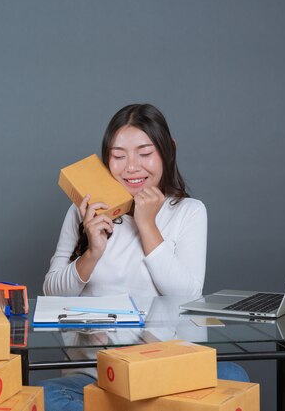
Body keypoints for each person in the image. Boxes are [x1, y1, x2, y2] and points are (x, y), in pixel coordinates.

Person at [38, 103, 248, 411]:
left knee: (234, 376)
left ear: (168, 151)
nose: (131, 167)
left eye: (144, 153)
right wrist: (93, 253)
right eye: (119, 156)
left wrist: (147, 224)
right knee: (46, 396)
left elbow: (187, 295)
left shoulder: (189, 211)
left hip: (167, 371)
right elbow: (52, 293)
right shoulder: (83, 210)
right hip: (97, 375)